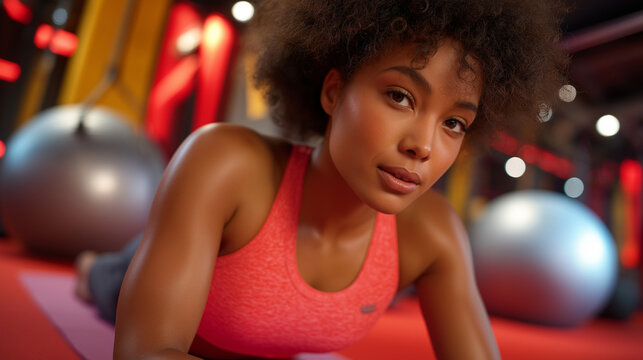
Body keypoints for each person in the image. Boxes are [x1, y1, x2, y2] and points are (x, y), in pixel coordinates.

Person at [76, 0, 568, 358]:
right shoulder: (223, 162)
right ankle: (94, 266)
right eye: (400, 96)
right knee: (105, 279)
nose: (424, 144)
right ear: (333, 91)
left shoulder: (432, 233)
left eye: (454, 123)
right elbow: (146, 352)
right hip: (164, 266)